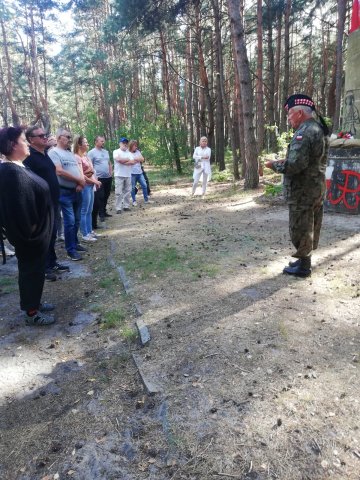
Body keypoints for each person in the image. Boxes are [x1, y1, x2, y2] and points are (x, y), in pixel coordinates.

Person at [265, 94, 330, 278]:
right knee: (311, 226)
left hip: (303, 191)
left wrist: (274, 165)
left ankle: (303, 267)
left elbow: (295, 165)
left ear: (300, 113)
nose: (288, 118)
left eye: (289, 115)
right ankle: (303, 260)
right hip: (315, 187)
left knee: (300, 228)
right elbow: (310, 160)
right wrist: (285, 160)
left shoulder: (304, 132)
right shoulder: (318, 129)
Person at [0, 127, 55, 326]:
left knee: (36, 270)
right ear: (13, 145)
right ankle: (31, 312)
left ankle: (35, 303)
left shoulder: (20, 166)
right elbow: (18, 210)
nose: (28, 143)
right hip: (31, 237)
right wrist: (32, 234)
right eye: (24, 140)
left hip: (37, 235)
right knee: (31, 271)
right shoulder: (11, 172)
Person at [24, 126, 70, 281]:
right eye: (41, 136)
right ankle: (44, 268)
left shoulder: (45, 154)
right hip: (41, 205)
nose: (45, 137)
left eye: (46, 135)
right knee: (44, 237)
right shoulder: (29, 157)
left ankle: (52, 262)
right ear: (31, 139)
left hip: (53, 202)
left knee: (52, 235)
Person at [48, 129, 86, 261]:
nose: (70, 139)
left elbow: (78, 169)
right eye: (67, 137)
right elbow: (59, 171)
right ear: (59, 138)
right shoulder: (53, 152)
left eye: (70, 137)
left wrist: (81, 182)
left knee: (76, 220)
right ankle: (71, 250)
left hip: (76, 190)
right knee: (69, 221)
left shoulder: (69, 153)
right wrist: (78, 180)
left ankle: (74, 243)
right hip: (63, 192)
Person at [73, 135, 102, 242]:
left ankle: (89, 231)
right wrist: (95, 181)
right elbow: (82, 175)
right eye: (85, 142)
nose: (88, 144)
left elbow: (91, 170)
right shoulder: (76, 157)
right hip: (84, 186)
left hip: (90, 186)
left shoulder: (85, 155)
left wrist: (94, 179)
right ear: (79, 145)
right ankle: (85, 233)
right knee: (84, 210)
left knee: (90, 209)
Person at [88, 136, 112, 224]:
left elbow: (109, 163)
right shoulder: (91, 153)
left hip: (108, 178)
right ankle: (100, 214)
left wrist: (110, 173)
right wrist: (93, 177)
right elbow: (90, 166)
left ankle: (104, 211)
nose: (103, 143)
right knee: (100, 196)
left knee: (106, 195)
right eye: (101, 141)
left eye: (103, 141)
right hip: (98, 178)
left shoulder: (106, 152)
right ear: (96, 142)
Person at [113, 137, 134, 213]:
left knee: (128, 191)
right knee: (118, 192)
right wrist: (127, 160)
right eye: (123, 143)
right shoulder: (116, 151)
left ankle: (126, 206)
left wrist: (123, 161)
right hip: (119, 174)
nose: (125, 144)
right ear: (120, 143)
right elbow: (118, 160)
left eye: (126, 143)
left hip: (128, 174)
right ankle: (118, 208)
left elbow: (132, 162)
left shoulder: (129, 152)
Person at [129, 140, 152, 206]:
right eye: (135, 146)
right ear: (131, 146)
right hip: (132, 173)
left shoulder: (138, 152)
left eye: (136, 146)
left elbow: (142, 159)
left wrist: (135, 159)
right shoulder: (128, 153)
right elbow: (129, 161)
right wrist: (137, 159)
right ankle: (134, 201)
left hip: (140, 173)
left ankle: (146, 200)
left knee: (144, 185)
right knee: (133, 187)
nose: (136, 147)